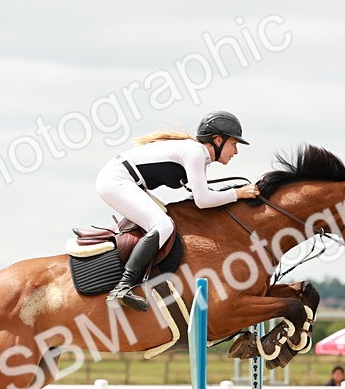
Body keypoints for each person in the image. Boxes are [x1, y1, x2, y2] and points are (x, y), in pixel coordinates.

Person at [97, 110, 261, 312]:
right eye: (234, 144)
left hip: (125, 181)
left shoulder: (198, 155)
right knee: (163, 225)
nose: (236, 151)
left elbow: (200, 197)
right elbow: (203, 200)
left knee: (165, 221)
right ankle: (123, 286)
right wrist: (238, 194)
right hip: (117, 181)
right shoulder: (195, 153)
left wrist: (234, 195)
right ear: (218, 140)